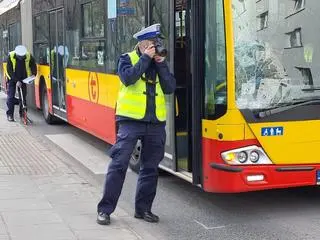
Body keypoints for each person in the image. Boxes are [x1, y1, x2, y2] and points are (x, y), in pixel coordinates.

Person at [96, 23, 176, 225]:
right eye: (152, 43)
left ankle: (143, 210)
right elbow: (128, 78)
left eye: (157, 43)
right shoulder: (127, 58)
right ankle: (105, 210)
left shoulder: (159, 63)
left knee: (150, 169)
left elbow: (169, 87)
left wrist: (161, 63)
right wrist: (145, 59)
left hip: (155, 122)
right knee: (119, 165)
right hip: (130, 122)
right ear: (142, 44)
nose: (155, 46)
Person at [6, 45, 37, 122]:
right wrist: (16, 81)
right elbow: (9, 70)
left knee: (23, 97)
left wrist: (33, 75)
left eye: (22, 57)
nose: (21, 58)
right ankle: (10, 115)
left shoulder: (28, 56)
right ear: (16, 54)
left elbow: (33, 66)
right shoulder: (11, 56)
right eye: (20, 57)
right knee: (11, 97)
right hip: (12, 78)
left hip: (23, 78)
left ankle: (23, 114)